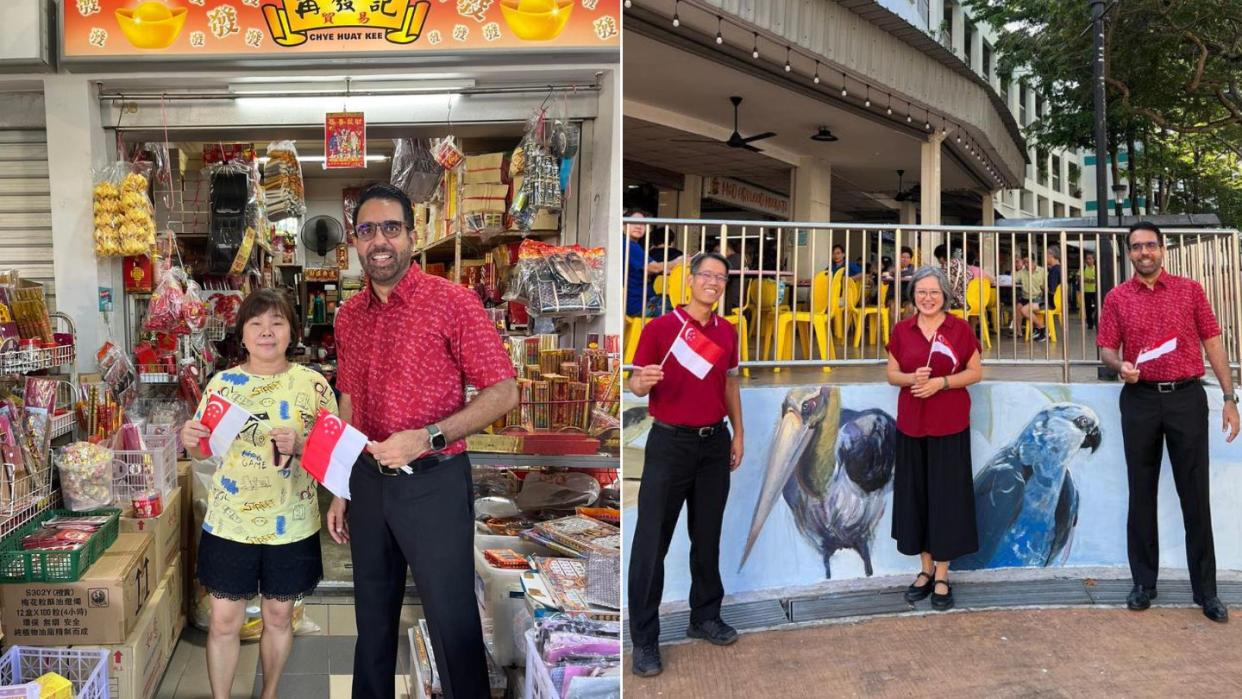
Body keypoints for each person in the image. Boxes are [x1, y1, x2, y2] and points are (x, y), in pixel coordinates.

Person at [327, 183, 519, 697]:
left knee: (451, 621)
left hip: (433, 483)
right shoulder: (349, 316)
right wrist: (342, 484)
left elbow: (504, 391)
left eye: (391, 228)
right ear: (355, 241)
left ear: (412, 236)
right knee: (372, 622)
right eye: (367, 231)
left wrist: (429, 436)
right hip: (368, 483)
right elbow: (348, 399)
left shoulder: (451, 302)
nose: (379, 241)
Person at [179, 290, 336, 699]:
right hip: (232, 522)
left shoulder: (314, 385)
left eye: (278, 322)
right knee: (224, 621)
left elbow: (335, 456)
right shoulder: (223, 384)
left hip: (293, 522)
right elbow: (203, 448)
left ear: (292, 332)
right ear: (242, 335)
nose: (267, 332)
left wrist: (302, 445)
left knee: (279, 616)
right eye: (256, 324)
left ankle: (268, 694)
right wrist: (190, 438)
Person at [1097, 221, 1239, 624]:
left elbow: (1212, 341)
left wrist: (1229, 398)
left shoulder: (1189, 290)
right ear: (1129, 253)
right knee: (1140, 493)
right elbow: (1106, 347)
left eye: (1150, 245)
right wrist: (1119, 364)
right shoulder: (1117, 298)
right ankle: (1144, 583)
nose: (1144, 252)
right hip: (1140, 401)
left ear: (1162, 249)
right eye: (1137, 247)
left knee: (1195, 495)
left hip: (1186, 399)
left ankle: (1206, 592)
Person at [627, 252, 744, 678]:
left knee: (707, 537)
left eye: (721, 278)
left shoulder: (728, 331)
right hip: (669, 444)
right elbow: (636, 381)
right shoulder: (660, 328)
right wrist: (639, 382)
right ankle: (643, 639)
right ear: (689, 280)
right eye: (707, 275)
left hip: (714, 443)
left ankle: (705, 617)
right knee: (650, 544)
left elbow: (730, 382)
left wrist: (739, 433)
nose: (713, 283)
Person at [885, 266, 983, 611]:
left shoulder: (959, 329)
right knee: (918, 498)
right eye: (921, 292)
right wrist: (912, 377)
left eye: (934, 292)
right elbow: (891, 374)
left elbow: (975, 371)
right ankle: (924, 569)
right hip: (912, 426)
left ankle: (943, 573)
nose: (927, 298)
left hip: (949, 425)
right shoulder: (902, 330)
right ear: (913, 295)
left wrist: (941, 383)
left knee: (946, 499)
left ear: (945, 296)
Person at [625, 210, 683, 318]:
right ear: (624, 223)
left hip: (638, 300)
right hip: (637, 305)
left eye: (643, 223)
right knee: (682, 310)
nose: (639, 226)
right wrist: (678, 261)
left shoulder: (633, 245)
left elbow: (655, 269)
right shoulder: (629, 245)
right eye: (634, 222)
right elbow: (655, 268)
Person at [1013, 249, 1048, 341]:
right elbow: (1013, 279)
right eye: (1024, 262)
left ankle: (1041, 328)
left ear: (1033, 261)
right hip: (1025, 297)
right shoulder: (1022, 272)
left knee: (1024, 310)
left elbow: (1046, 287)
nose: (1026, 264)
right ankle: (1019, 332)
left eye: (1028, 262)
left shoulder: (1042, 271)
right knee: (1018, 307)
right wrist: (1016, 266)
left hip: (1037, 298)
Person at [933, 244, 971, 309]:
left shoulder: (946, 267)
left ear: (941, 257)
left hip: (956, 301)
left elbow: (941, 284)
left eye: (937, 258)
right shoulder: (962, 263)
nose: (938, 261)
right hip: (969, 299)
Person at [1083, 251, 1098, 329]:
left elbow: (1098, 278)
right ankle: (1090, 324)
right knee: (1088, 309)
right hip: (1086, 291)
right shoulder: (1083, 267)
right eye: (1087, 259)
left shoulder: (1096, 268)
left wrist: (1092, 280)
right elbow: (1079, 277)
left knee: (1097, 307)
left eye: (1090, 258)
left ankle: (1096, 321)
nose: (1088, 260)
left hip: (1095, 291)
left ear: (1093, 259)